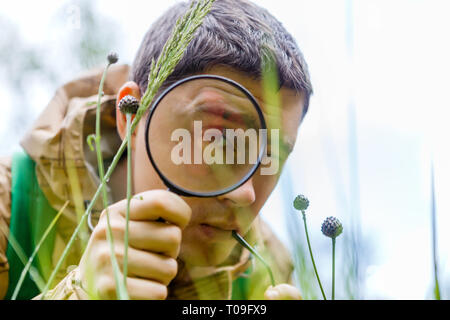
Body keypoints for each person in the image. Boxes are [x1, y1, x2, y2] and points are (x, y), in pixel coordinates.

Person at [0, 0, 312, 300]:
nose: (245, 194)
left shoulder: (269, 266)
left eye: (272, 156)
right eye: (219, 140)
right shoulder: (11, 206)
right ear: (131, 116)